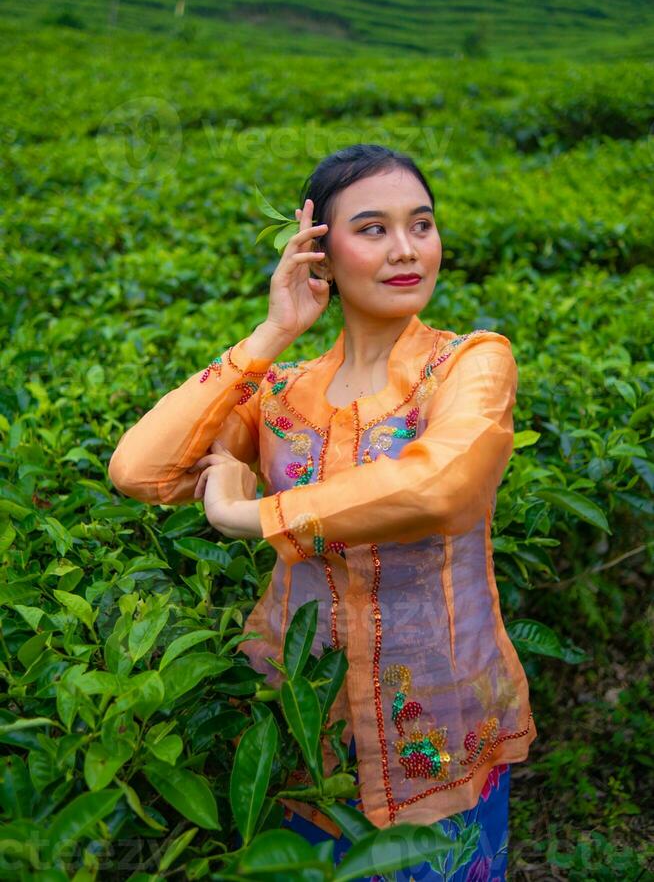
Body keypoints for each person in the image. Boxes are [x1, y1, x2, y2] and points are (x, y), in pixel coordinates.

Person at [108, 144, 537, 881]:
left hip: (437, 723)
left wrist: (254, 515)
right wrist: (273, 333)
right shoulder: (280, 393)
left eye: (422, 224)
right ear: (319, 254)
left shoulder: (468, 364)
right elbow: (139, 470)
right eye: (372, 229)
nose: (407, 250)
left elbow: (441, 488)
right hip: (305, 729)